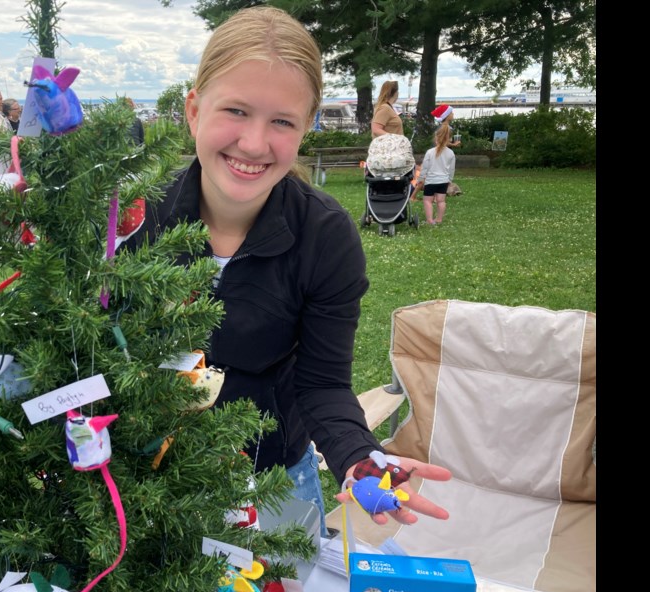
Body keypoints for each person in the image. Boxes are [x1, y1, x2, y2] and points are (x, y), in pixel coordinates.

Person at [124, 6, 450, 535]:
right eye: (235, 110)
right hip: (135, 481)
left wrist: (360, 460)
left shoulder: (325, 236)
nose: (253, 144)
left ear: (306, 127)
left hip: (269, 478)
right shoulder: (133, 217)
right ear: (193, 111)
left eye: (281, 121)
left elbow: (321, 383)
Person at [411, 110, 457, 225]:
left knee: (428, 200)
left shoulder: (430, 152)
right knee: (441, 201)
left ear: (436, 137)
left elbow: (425, 168)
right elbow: (452, 169)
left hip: (431, 181)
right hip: (443, 181)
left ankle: (429, 220)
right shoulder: (451, 153)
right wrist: (449, 180)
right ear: (449, 139)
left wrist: (420, 179)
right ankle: (439, 219)